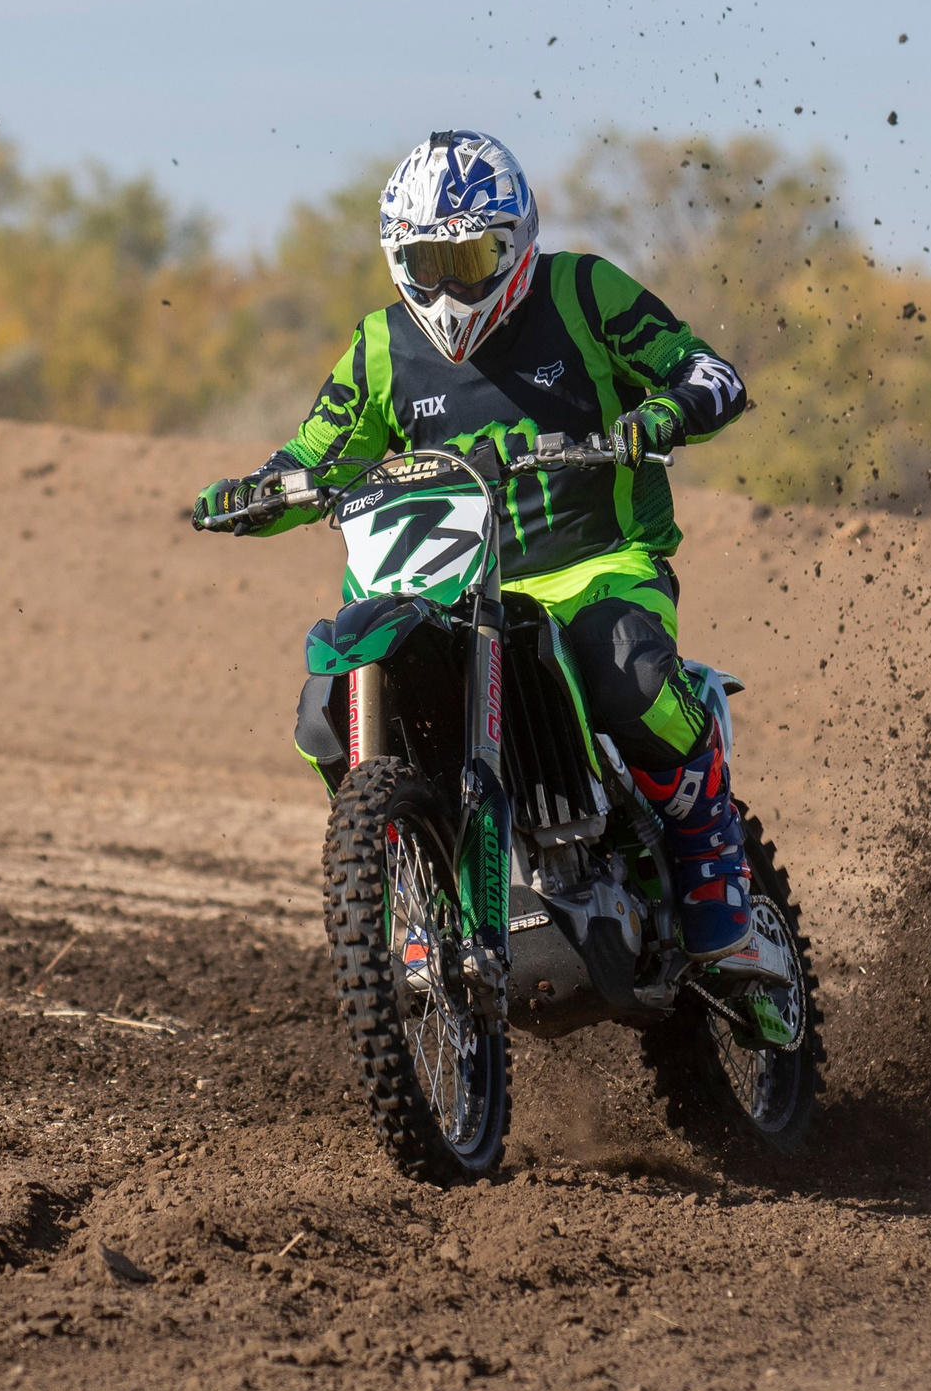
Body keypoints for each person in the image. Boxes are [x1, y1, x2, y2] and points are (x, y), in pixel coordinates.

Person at [194, 129, 788, 983]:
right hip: (439, 581)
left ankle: (713, 869)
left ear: (515, 244)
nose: (447, 288)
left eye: (469, 260)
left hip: (596, 565)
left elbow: (707, 371)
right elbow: (314, 454)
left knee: (627, 674)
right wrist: (256, 493)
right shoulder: (381, 345)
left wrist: (662, 413)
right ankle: (412, 876)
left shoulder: (582, 292)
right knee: (332, 701)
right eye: (426, 263)